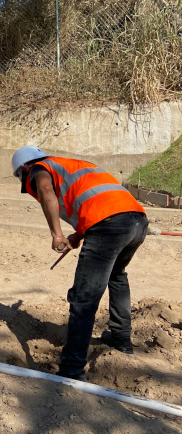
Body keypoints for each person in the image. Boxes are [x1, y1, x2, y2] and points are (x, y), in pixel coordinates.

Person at [11, 145, 148, 381]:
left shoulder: (39, 168)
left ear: (25, 168)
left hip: (108, 225)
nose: (29, 185)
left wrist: (56, 233)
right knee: (117, 276)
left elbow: (45, 189)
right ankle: (120, 338)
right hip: (136, 221)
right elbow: (99, 200)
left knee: (83, 297)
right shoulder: (73, 166)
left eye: (24, 179)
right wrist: (78, 235)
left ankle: (72, 369)